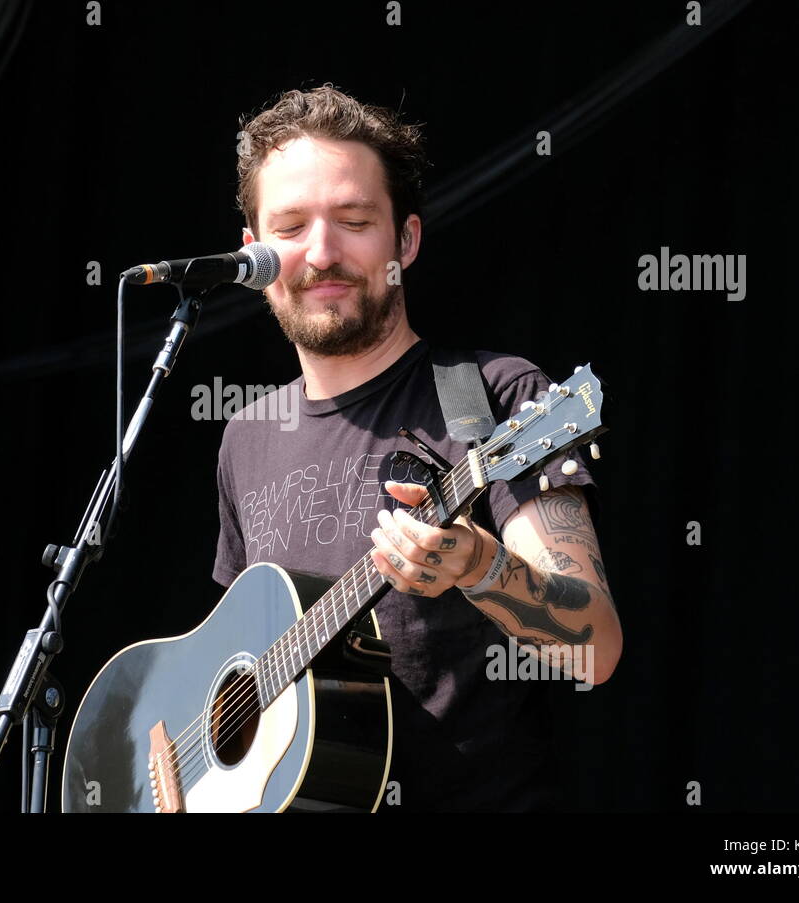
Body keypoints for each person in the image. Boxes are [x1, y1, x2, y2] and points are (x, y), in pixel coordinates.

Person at [212, 84, 623, 812]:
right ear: (254, 255)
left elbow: (594, 644)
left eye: (354, 220)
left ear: (405, 240)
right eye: (291, 226)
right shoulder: (246, 436)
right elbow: (227, 677)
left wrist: (480, 565)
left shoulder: (496, 397)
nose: (322, 252)